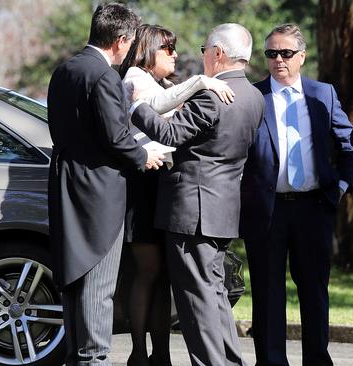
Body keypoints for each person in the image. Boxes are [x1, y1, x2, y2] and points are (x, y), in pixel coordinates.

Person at [129, 23, 264, 366]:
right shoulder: (254, 96)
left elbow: (169, 133)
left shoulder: (212, 94)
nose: (202, 54)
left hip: (193, 211)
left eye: (205, 48)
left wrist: (136, 107)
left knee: (196, 301)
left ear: (218, 53)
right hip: (222, 210)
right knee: (215, 296)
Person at [46, 3, 164, 366]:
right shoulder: (104, 76)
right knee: (98, 283)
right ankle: (93, 358)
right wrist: (144, 157)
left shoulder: (64, 70)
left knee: (73, 278)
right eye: (130, 43)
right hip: (99, 192)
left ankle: (75, 354)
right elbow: (116, 137)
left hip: (65, 183)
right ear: (122, 39)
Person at [239, 23, 353, 366]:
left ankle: (317, 360)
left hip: (313, 208)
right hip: (267, 210)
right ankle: (272, 361)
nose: (279, 60)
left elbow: (349, 145)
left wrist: (338, 189)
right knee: (267, 293)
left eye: (286, 53)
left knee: (314, 291)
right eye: (271, 53)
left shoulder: (324, 94)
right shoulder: (253, 96)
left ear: (301, 57)